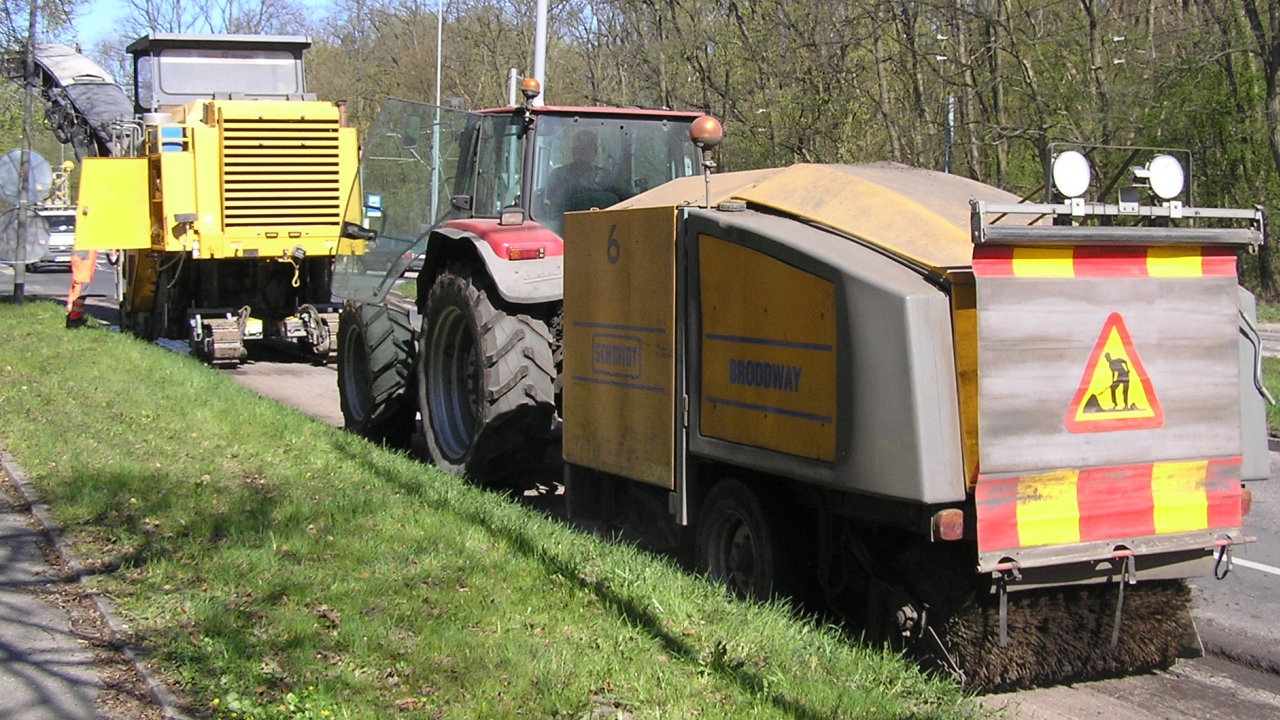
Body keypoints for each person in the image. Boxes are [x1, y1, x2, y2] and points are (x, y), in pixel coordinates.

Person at [545, 130, 620, 217]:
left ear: (595, 152)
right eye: (581, 149)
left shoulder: (607, 178)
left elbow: (630, 201)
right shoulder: (559, 176)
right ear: (573, 151)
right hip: (564, 228)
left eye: (589, 148)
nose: (585, 153)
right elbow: (550, 209)